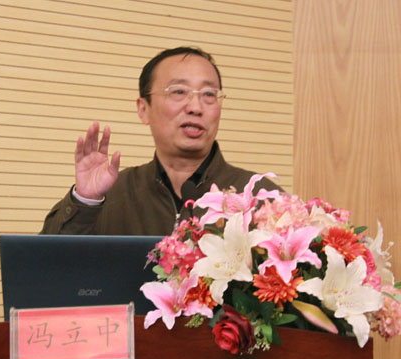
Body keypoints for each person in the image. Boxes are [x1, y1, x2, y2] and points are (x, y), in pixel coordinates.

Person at [41, 46, 282, 236]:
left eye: (209, 94)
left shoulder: (261, 197)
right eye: (178, 92)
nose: (196, 107)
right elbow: (47, 266)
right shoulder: (112, 195)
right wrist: (85, 202)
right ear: (143, 109)